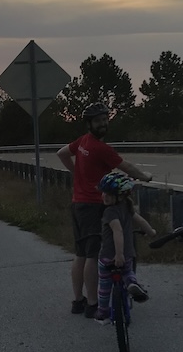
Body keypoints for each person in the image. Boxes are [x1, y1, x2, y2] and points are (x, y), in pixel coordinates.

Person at [56, 102, 153, 317]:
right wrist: (145, 176)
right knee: (93, 255)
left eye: (105, 119)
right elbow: (126, 167)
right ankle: (92, 304)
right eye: (98, 121)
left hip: (78, 203)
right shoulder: (100, 148)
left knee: (80, 253)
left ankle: (77, 301)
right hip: (93, 205)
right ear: (89, 123)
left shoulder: (83, 141)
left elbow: (62, 153)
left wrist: (77, 175)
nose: (103, 124)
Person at [93, 169, 156, 322]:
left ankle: (102, 311)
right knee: (127, 272)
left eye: (108, 194)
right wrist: (151, 231)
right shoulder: (127, 207)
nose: (104, 196)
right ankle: (132, 284)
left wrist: (118, 254)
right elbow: (139, 220)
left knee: (104, 286)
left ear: (121, 196)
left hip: (109, 255)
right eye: (103, 193)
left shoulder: (109, 212)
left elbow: (118, 231)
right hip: (128, 254)